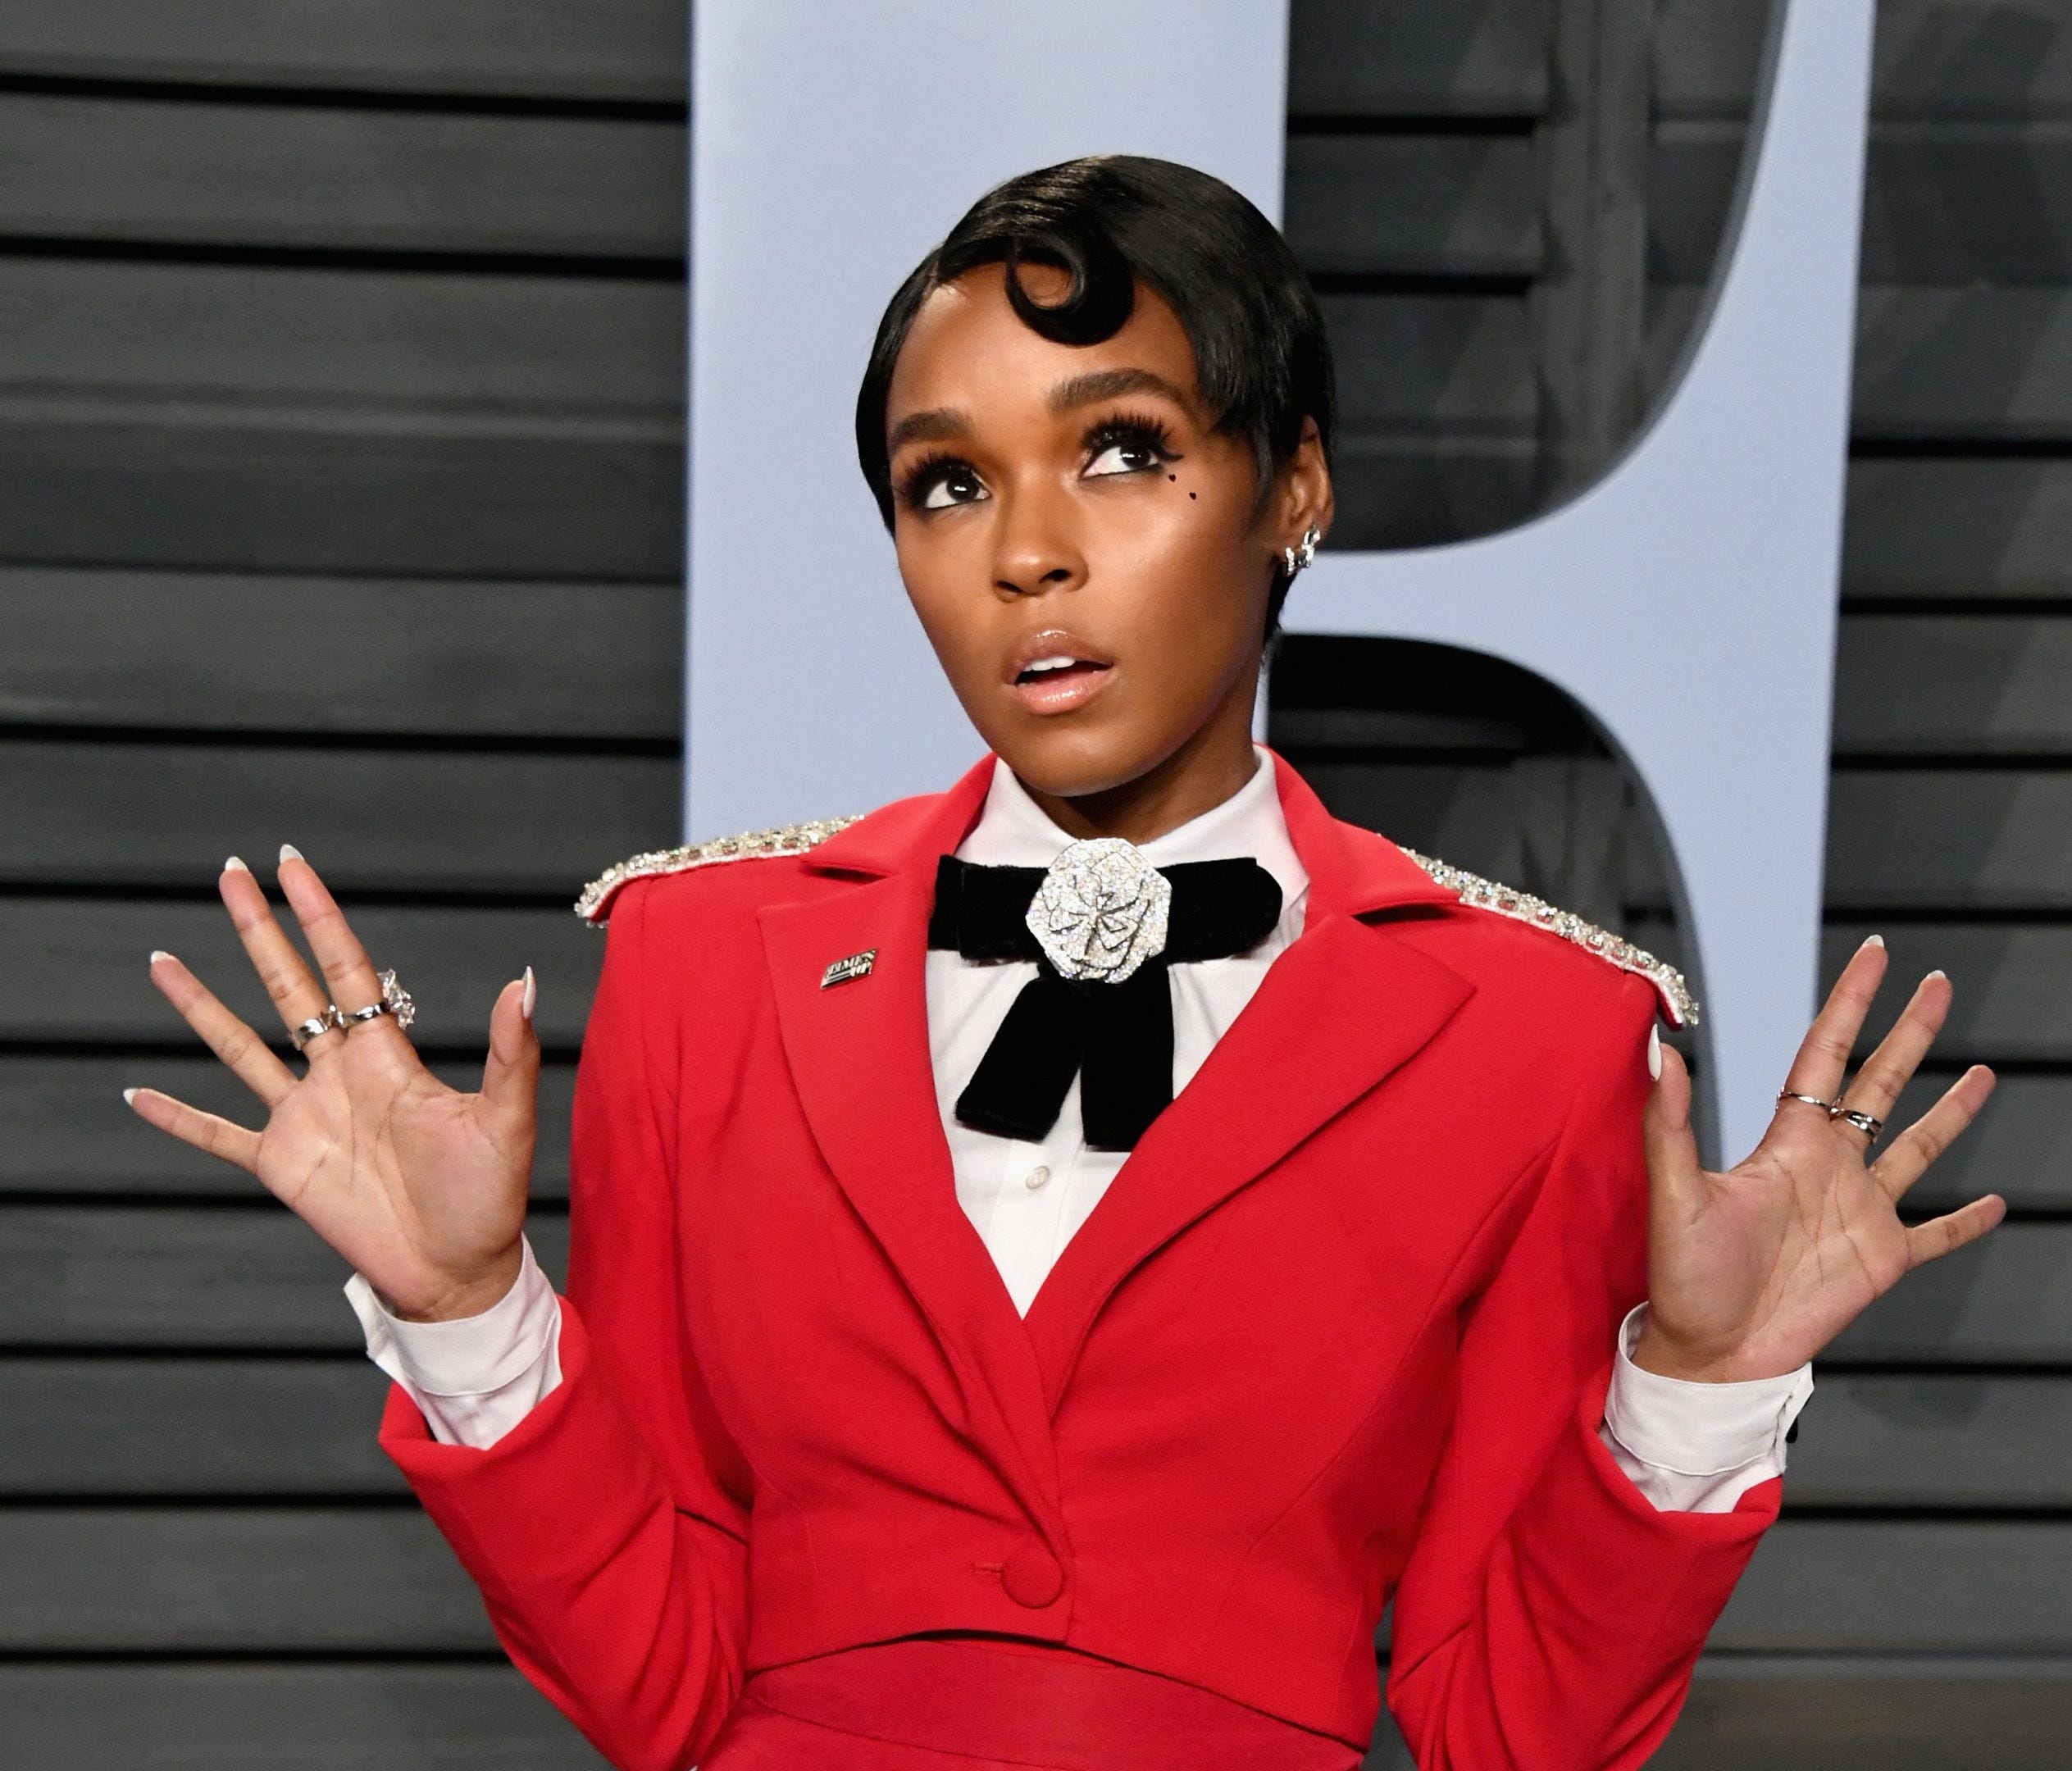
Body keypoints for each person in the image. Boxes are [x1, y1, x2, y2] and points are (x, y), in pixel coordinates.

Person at [127, 157, 2002, 1771]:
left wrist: (1698, 1386)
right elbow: (663, 1687)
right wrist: (474, 1318)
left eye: (1122, 451)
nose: (1027, 554)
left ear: (1293, 486)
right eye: (947, 483)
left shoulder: (1537, 1028)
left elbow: (1506, 1730)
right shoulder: (701, 962)